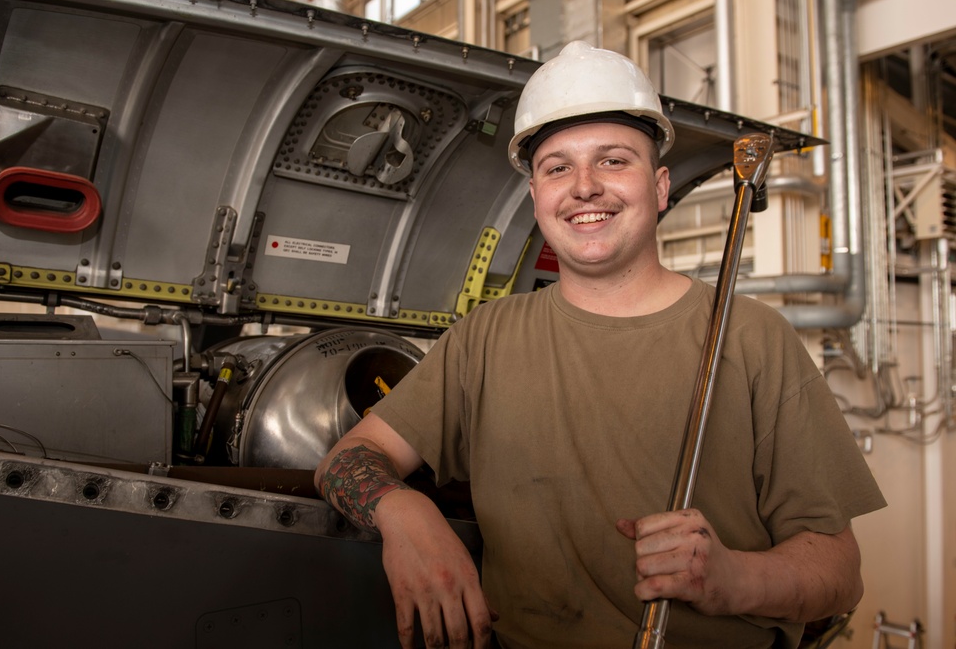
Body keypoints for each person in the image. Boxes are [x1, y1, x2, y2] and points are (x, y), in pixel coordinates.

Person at [314, 40, 886, 649]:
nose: (584, 187)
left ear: (660, 186)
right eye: (558, 167)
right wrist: (406, 516)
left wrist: (733, 579)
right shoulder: (487, 337)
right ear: (537, 197)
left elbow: (839, 571)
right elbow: (349, 459)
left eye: (614, 161)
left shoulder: (751, 339)